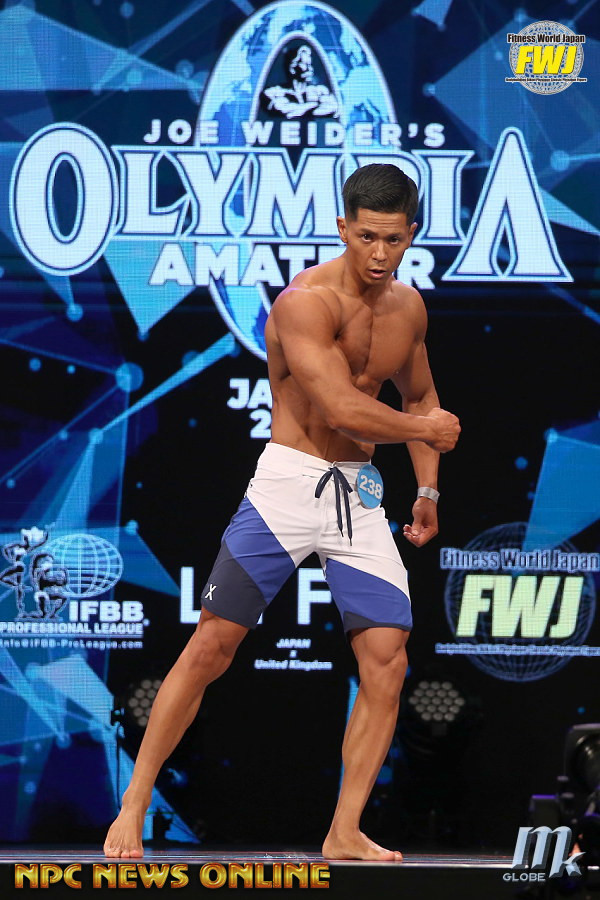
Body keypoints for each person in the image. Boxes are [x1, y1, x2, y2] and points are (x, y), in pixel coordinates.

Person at [104, 163, 460, 861]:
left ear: (412, 234)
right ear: (342, 228)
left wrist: (428, 489)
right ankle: (135, 803)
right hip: (288, 486)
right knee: (212, 645)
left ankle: (344, 830)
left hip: (358, 494)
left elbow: (419, 395)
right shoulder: (304, 303)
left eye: (393, 240)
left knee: (387, 660)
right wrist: (426, 432)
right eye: (366, 237)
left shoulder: (409, 310)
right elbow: (344, 408)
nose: (379, 253)